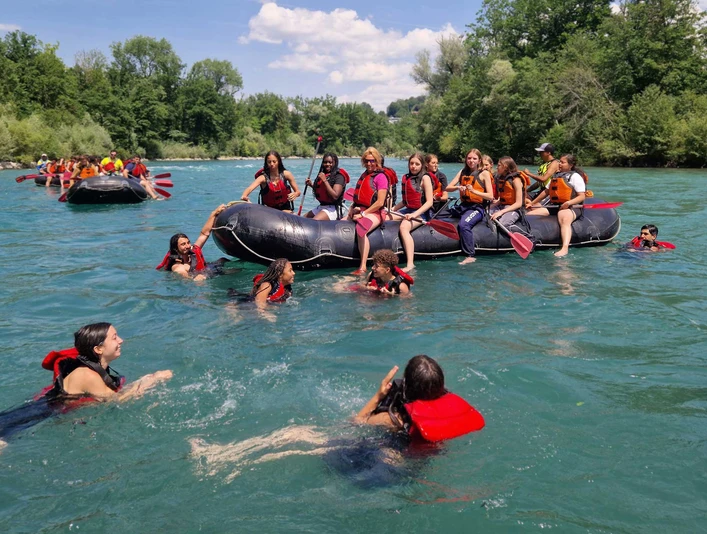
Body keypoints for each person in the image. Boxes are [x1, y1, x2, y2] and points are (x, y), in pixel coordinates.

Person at [0, 323, 172, 452]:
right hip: (32, 416)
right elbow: (117, 401)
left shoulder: (92, 369)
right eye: (114, 337)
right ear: (98, 349)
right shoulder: (87, 375)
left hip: (39, 410)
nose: (121, 340)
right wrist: (151, 380)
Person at [354, 355, 485, 442]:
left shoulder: (395, 420)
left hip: (394, 460)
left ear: (406, 387)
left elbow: (357, 422)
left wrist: (378, 396)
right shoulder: (449, 413)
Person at [526, 154, 586, 257]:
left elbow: (582, 196)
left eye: (563, 162)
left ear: (571, 165)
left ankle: (564, 248)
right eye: (559, 162)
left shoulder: (575, 177)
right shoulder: (556, 176)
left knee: (564, 219)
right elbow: (546, 192)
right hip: (555, 206)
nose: (560, 164)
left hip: (572, 206)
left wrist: (569, 203)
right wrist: (532, 203)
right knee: (530, 214)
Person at [445, 149, 495, 265]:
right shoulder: (462, 172)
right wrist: (458, 187)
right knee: (442, 215)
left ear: (479, 160)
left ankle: (470, 255)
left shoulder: (484, 174)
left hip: (477, 208)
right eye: (469, 158)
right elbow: (448, 188)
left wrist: (474, 191)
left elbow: (490, 196)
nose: (471, 161)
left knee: (464, 225)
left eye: (474, 158)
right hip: (463, 206)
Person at [389, 153, 436, 272]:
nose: (413, 166)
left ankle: (410, 264)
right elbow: (405, 202)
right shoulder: (406, 178)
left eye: (417, 164)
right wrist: (393, 209)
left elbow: (429, 202)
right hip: (408, 210)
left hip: (422, 213)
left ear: (422, 165)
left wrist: (414, 215)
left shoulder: (425, 178)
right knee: (385, 217)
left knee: (404, 227)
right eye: (411, 163)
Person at [156, 205, 228, 281]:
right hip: (204, 274)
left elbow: (204, 234)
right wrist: (196, 279)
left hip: (208, 269)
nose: (188, 246)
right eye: (183, 244)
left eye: (188, 242)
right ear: (176, 248)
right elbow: (187, 279)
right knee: (231, 271)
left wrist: (214, 213)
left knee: (223, 260)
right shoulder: (178, 267)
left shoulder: (192, 251)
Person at [348, 147, 390, 275]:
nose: (369, 163)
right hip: (362, 209)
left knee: (361, 228)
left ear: (377, 161)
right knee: (343, 221)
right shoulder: (365, 175)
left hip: (376, 212)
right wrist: (352, 208)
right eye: (366, 161)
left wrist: (363, 214)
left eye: (372, 161)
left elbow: (380, 202)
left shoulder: (381, 177)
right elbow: (359, 197)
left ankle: (363, 266)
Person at [304, 152, 349, 220]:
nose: (327, 164)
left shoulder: (339, 176)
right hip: (322, 206)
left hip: (334, 208)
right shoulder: (324, 174)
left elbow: (335, 196)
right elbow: (322, 190)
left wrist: (324, 180)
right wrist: (311, 185)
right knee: (303, 219)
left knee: (313, 221)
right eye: (325, 162)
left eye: (330, 162)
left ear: (335, 163)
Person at [490, 156, 529, 227]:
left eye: (499, 165)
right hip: (502, 206)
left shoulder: (516, 180)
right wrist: (490, 207)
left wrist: (501, 212)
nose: (496, 167)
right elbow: (503, 199)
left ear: (505, 167)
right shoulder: (502, 179)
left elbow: (518, 203)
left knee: (501, 224)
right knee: (486, 214)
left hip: (515, 209)